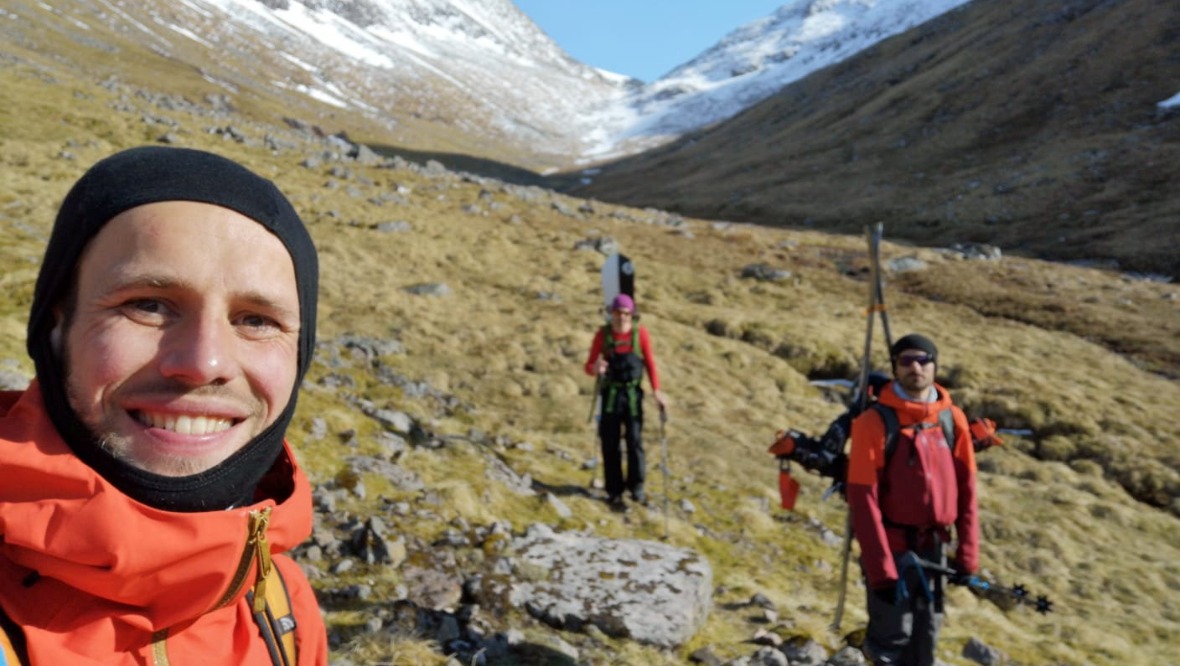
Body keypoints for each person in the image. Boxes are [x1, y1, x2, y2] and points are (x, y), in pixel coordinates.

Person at [0, 146, 329, 664]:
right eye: (147, 305)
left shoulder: (280, 605)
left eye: (257, 320)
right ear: (56, 326)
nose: (204, 362)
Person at [846, 334, 979, 666]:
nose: (915, 367)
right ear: (894, 368)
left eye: (922, 359)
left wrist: (967, 554)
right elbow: (863, 502)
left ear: (935, 366)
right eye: (905, 361)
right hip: (892, 549)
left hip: (934, 548)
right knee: (892, 637)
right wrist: (881, 571)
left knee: (927, 635)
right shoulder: (872, 423)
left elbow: (968, 492)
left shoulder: (953, 420)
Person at [583, 294, 667, 510]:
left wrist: (657, 391)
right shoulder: (603, 335)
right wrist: (595, 369)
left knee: (635, 441)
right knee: (610, 443)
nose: (621, 318)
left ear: (632, 315)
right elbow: (589, 365)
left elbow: (650, 363)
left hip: (632, 397)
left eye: (625, 314)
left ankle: (636, 488)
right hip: (610, 396)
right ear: (611, 313)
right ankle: (614, 491)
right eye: (617, 313)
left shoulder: (641, 336)